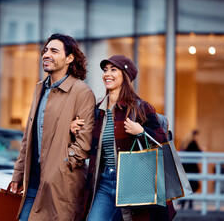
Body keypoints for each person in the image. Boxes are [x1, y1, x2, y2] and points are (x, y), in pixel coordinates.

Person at [71, 55, 176, 221]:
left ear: (125, 76)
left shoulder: (140, 107)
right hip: (104, 182)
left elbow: (161, 140)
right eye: (105, 70)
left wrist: (141, 131)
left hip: (134, 181)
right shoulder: (98, 110)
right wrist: (76, 131)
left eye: (113, 70)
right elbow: (91, 146)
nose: (107, 74)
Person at [10, 33, 96, 220]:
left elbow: (84, 145)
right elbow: (28, 138)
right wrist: (18, 174)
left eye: (54, 51)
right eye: (45, 50)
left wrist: (61, 167)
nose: (46, 54)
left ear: (69, 58)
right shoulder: (39, 88)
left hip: (60, 187)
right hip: (32, 182)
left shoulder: (82, 92)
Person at [180, 129, 201, 209]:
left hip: (185, 167)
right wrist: (202, 150)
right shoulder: (193, 143)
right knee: (193, 185)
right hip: (192, 167)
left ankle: (183, 202)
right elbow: (197, 153)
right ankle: (189, 204)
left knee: (186, 185)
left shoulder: (184, 142)